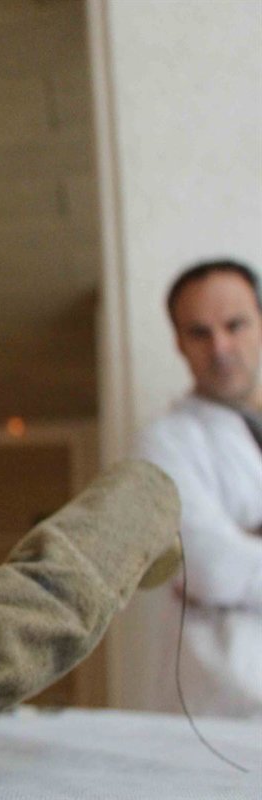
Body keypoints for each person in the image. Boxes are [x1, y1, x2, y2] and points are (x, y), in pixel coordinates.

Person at [134, 258, 262, 717]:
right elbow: (211, 567)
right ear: (179, 343)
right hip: (229, 705)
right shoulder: (163, 443)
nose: (220, 347)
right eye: (199, 332)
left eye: (234, 325)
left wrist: (248, 539)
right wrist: (233, 551)